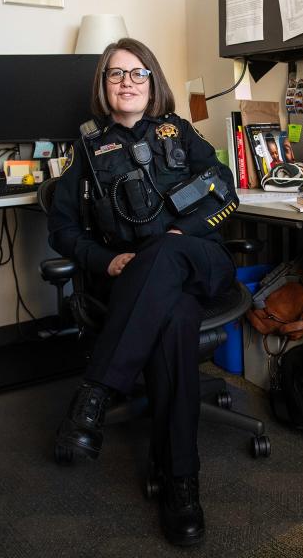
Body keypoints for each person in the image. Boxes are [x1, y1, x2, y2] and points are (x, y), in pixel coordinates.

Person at [47, 38, 238, 547]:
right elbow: (63, 229)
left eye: (137, 73)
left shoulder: (181, 133)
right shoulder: (87, 149)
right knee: (172, 320)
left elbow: (224, 188)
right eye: (115, 74)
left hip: (199, 258)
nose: (126, 82)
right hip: (138, 281)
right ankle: (181, 483)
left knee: (166, 252)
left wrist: (178, 238)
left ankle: (93, 395)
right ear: (103, 86)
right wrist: (105, 259)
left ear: (153, 82)